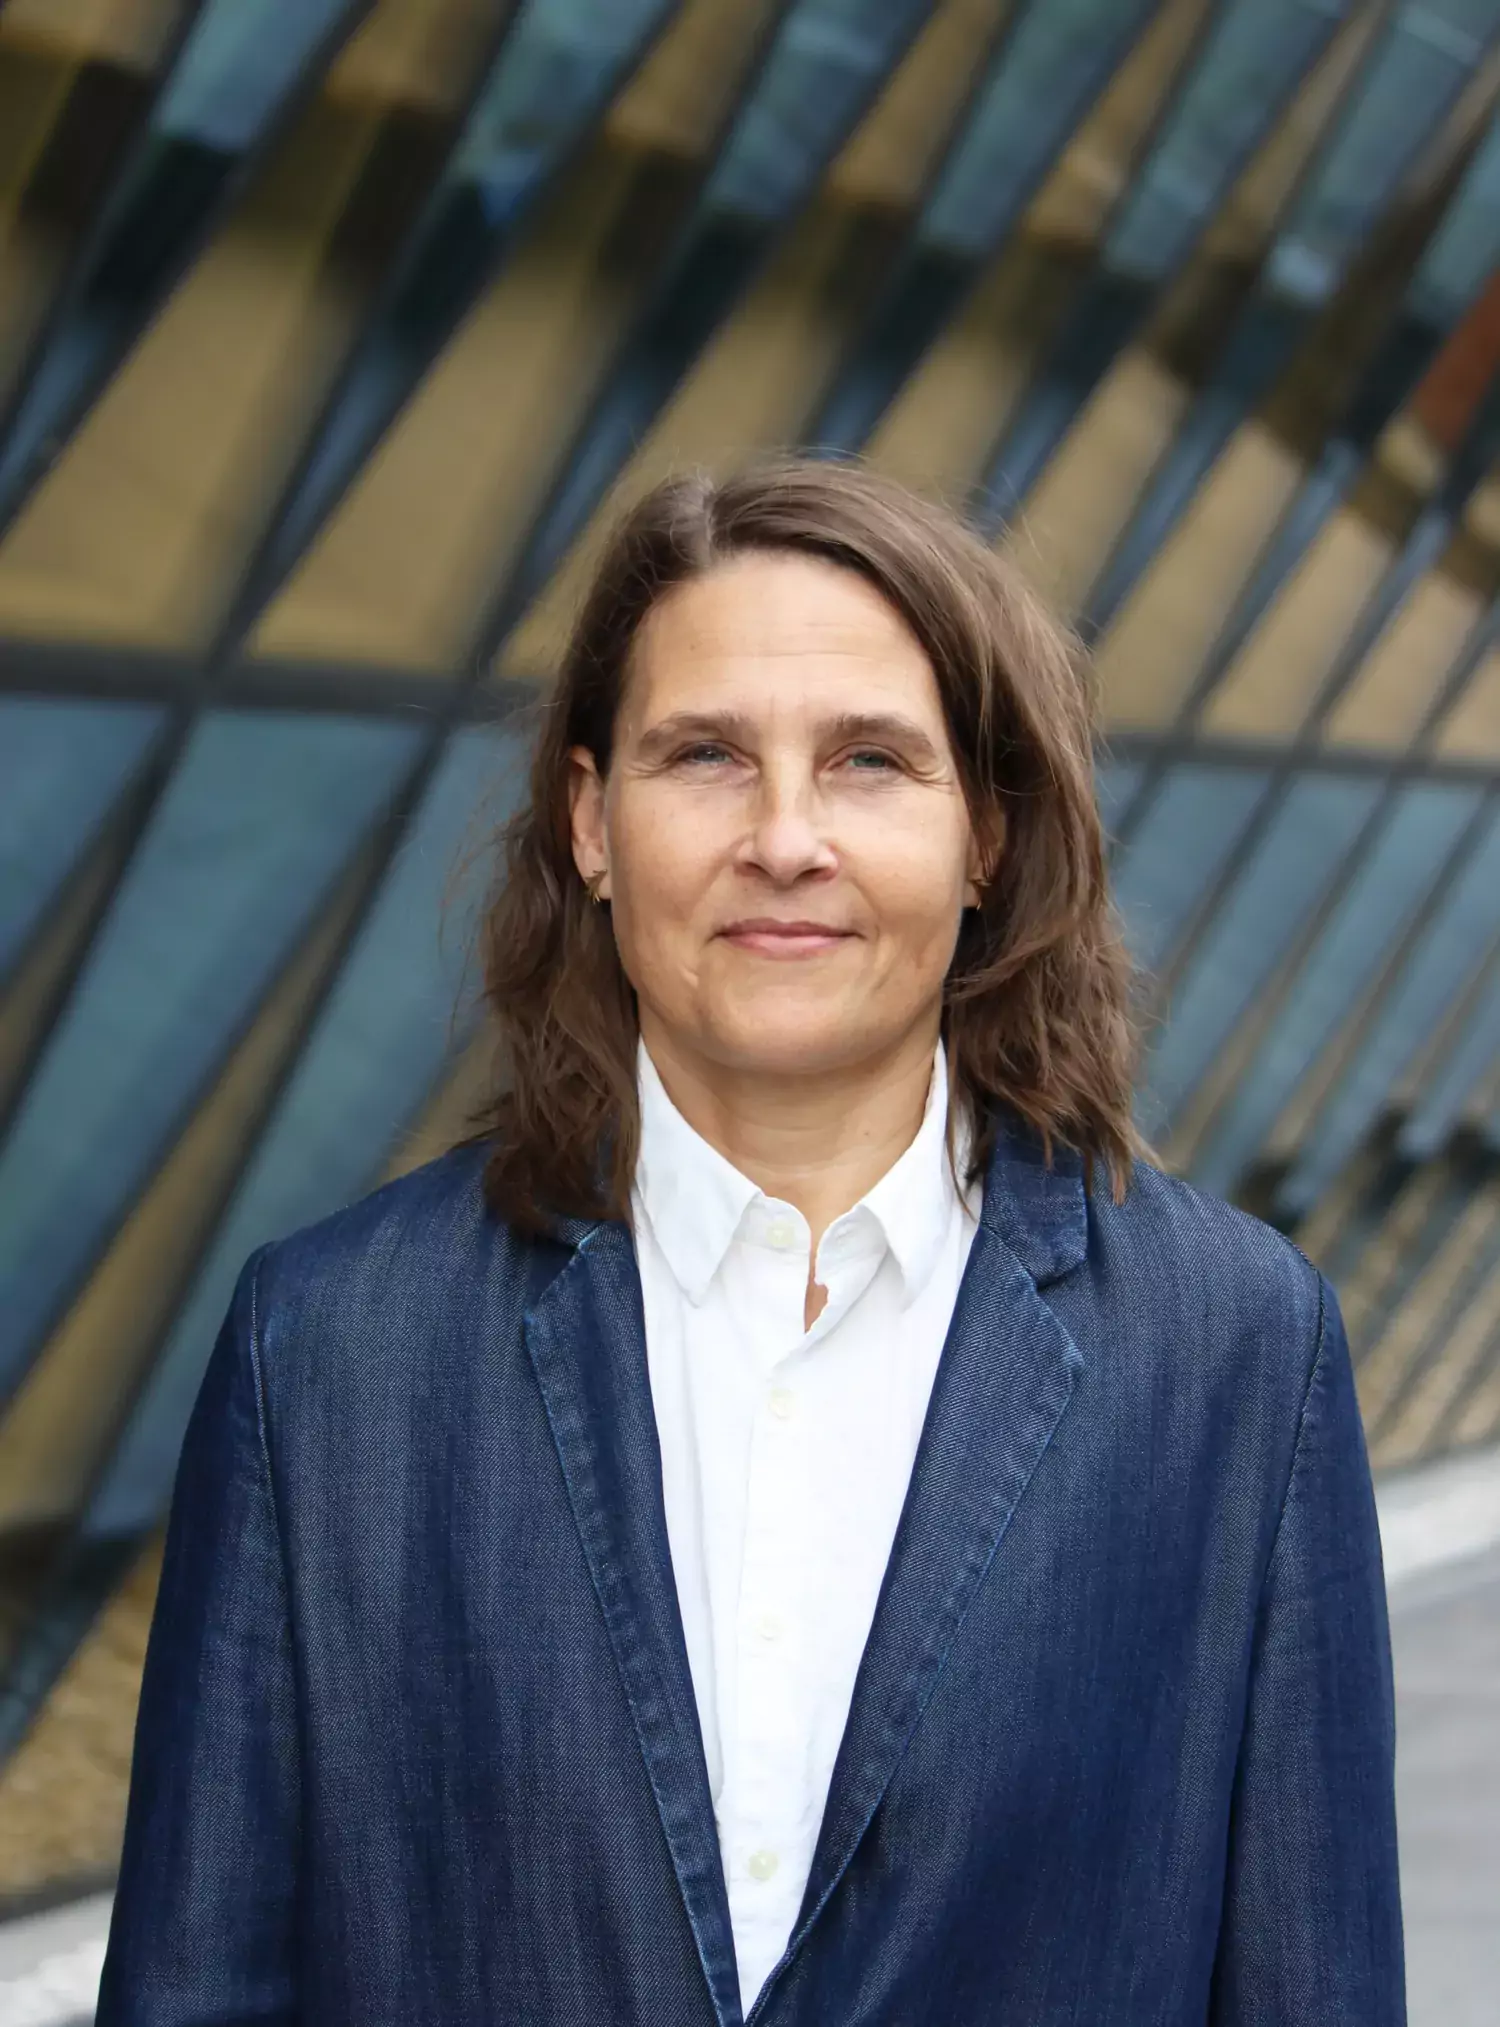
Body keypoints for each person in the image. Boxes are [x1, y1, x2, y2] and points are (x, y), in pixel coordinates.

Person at [97, 457, 1403, 2026]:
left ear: (986, 832)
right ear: (590, 819)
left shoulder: (1236, 1353)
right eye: (706, 755)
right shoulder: (329, 1351)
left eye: (867, 762)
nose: (787, 838)